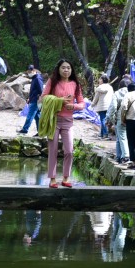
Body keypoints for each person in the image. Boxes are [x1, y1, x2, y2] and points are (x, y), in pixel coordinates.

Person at [42, 59, 84, 188]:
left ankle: (66, 178)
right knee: (53, 150)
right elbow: (43, 98)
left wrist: (74, 106)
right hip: (53, 120)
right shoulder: (52, 82)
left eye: (68, 68)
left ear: (71, 70)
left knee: (69, 151)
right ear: (58, 69)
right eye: (63, 68)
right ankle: (52, 179)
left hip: (68, 121)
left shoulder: (75, 84)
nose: (66, 70)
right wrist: (59, 100)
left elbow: (82, 104)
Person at [107, 79, 130, 163]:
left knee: (120, 137)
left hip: (120, 117)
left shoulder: (116, 93)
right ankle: (119, 156)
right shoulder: (131, 93)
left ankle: (124, 156)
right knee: (125, 137)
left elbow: (113, 107)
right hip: (131, 117)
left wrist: (111, 119)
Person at [18, 64, 44, 135]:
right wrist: (29, 98)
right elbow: (33, 90)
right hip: (34, 99)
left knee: (30, 115)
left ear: (34, 70)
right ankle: (40, 131)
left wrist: (38, 99)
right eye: (28, 71)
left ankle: (25, 129)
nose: (29, 73)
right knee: (37, 116)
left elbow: (41, 90)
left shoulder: (37, 78)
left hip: (36, 100)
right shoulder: (34, 78)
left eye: (30, 71)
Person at [93, 74, 114, 139]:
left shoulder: (99, 88)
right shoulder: (110, 87)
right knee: (105, 119)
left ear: (102, 80)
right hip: (109, 106)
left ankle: (105, 134)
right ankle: (101, 134)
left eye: (100, 79)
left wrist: (92, 104)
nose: (99, 80)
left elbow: (96, 98)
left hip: (102, 106)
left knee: (103, 119)